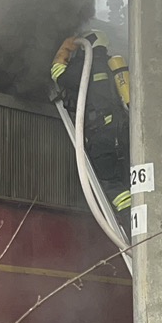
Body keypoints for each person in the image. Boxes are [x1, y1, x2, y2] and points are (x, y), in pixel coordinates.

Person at [50, 31, 132, 227]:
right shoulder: (113, 66)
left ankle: (129, 219)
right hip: (122, 133)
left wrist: (65, 49)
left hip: (101, 132)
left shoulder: (86, 65)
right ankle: (133, 215)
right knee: (122, 178)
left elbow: (58, 74)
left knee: (107, 180)